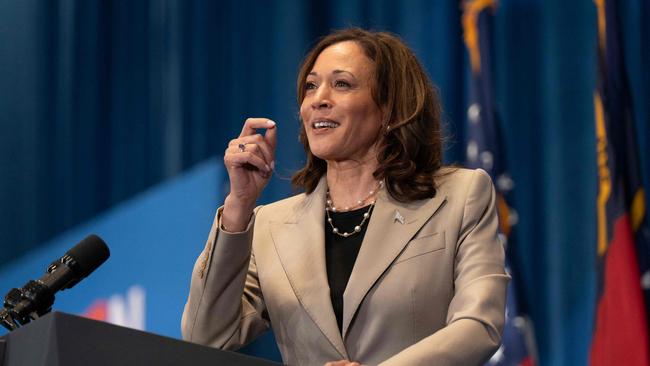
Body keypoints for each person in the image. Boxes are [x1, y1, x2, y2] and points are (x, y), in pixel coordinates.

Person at [181, 28, 509, 366]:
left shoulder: (459, 196)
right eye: (311, 86)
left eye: (342, 84)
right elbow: (205, 337)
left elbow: (479, 325)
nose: (318, 99)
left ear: (389, 108)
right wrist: (238, 205)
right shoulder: (269, 226)